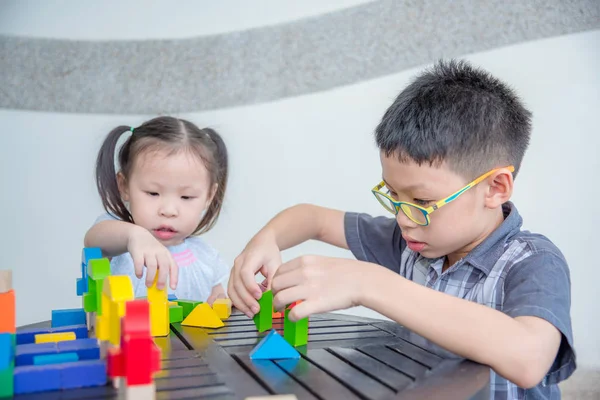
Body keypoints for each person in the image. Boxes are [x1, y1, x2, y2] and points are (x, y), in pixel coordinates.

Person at [228, 60, 576, 398]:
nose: (404, 218)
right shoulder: (411, 242)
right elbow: (311, 218)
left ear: (495, 188)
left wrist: (370, 283)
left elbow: (529, 358)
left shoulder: (532, 262)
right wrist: (264, 240)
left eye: (423, 201)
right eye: (394, 195)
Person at [84, 116, 229, 303]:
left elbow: (217, 301)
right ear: (124, 186)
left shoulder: (206, 258)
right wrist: (133, 236)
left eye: (186, 197)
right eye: (153, 193)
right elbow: (93, 240)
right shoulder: (120, 242)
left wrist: (222, 302)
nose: (168, 210)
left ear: (209, 195)